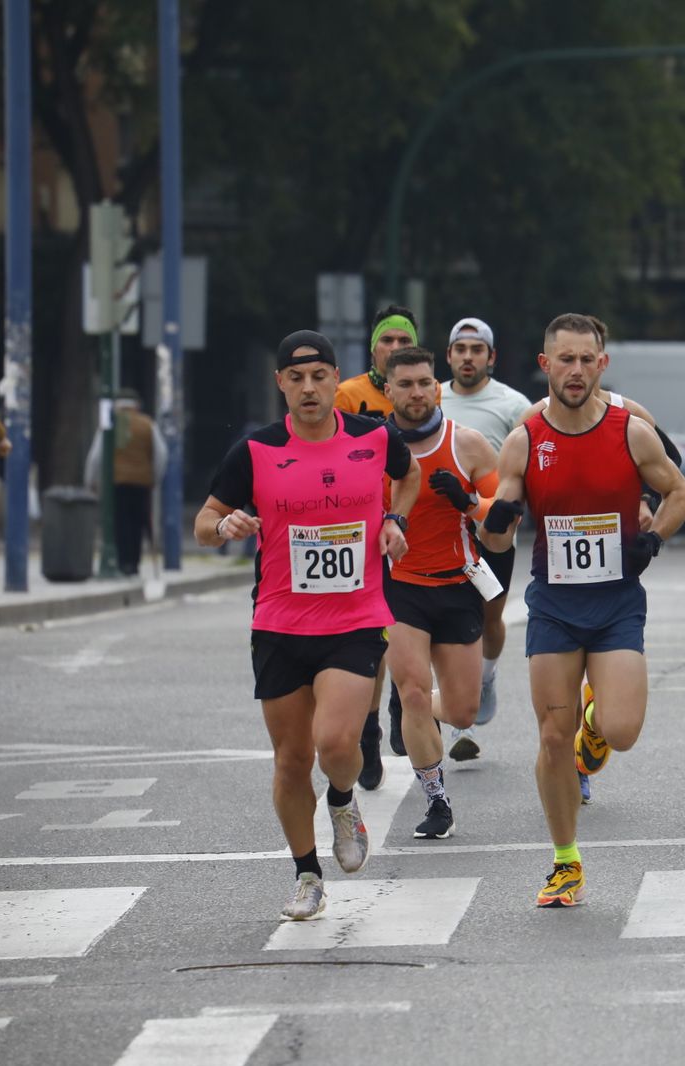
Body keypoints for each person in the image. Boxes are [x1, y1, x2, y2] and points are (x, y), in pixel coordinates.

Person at [195, 329, 420, 920]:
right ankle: (306, 874)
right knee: (292, 759)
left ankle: (343, 800)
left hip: (355, 617)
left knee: (337, 743)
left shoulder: (374, 437)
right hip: (278, 622)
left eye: (319, 376)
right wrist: (224, 528)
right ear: (280, 385)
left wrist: (394, 518)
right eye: (296, 379)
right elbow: (204, 519)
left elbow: (411, 473)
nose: (309, 389)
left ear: (335, 378)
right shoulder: (255, 452)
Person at [480, 313, 685, 908]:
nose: (575, 371)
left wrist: (653, 540)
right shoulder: (524, 439)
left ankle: (594, 724)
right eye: (563, 360)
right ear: (545, 365)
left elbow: (677, 492)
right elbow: (499, 535)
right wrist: (496, 523)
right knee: (551, 737)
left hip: (617, 600)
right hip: (555, 604)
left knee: (620, 732)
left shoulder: (631, 432)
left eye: (585, 360)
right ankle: (565, 861)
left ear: (602, 365)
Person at [383, 346, 501, 838]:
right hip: (400, 587)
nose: (416, 393)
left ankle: (432, 706)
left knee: (460, 711)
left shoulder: (467, 444)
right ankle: (436, 800)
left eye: (423, 383)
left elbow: (504, 515)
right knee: (410, 693)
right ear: (387, 390)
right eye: (404, 384)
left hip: (457, 585)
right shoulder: (371, 447)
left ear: (438, 387)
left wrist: (470, 501)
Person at [438, 317, 533, 760]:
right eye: (461, 349)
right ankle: (462, 724)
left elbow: (534, 456)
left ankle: (487, 676)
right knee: (455, 624)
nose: (468, 357)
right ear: (450, 355)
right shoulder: (430, 397)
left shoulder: (514, 404)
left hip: (492, 534)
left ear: (491, 357)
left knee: (488, 619)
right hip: (439, 534)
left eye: (478, 350)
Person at [336, 305, 422, 790]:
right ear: (373, 347)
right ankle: (369, 730)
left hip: (408, 526)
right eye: (386, 341)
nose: (393, 349)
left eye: (401, 341)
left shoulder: (421, 391)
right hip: (356, 531)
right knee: (374, 634)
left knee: (402, 624)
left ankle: (398, 704)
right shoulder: (348, 395)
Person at [84, 389, 167, 576]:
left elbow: (96, 455)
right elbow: (161, 454)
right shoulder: (147, 424)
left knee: (120, 522)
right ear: (136, 405)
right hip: (142, 482)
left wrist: (90, 480)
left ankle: (121, 562)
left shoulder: (109, 423)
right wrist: (154, 477)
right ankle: (133, 563)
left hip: (117, 482)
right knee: (137, 523)